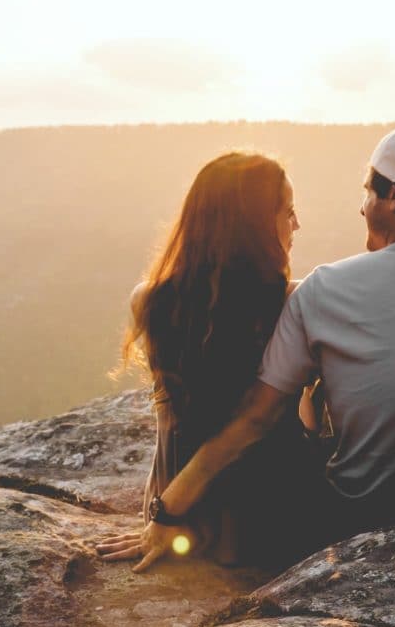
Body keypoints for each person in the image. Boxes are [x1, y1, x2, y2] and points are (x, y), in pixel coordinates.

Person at [100, 126, 395, 573]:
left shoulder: (322, 291)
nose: (360, 205)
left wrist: (168, 509)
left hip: (361, 518)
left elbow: (255, 418)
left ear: (391, 196)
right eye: (288, 212)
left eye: (368, 192)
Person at [96, 151, 318, 569]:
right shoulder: (295, 301)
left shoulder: (149, 300)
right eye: (288, 212)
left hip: (183, 515)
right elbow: (258, 423)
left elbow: (170, 427)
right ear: (253, 226)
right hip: (272, 516)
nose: (297, 225)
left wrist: (161, 515)